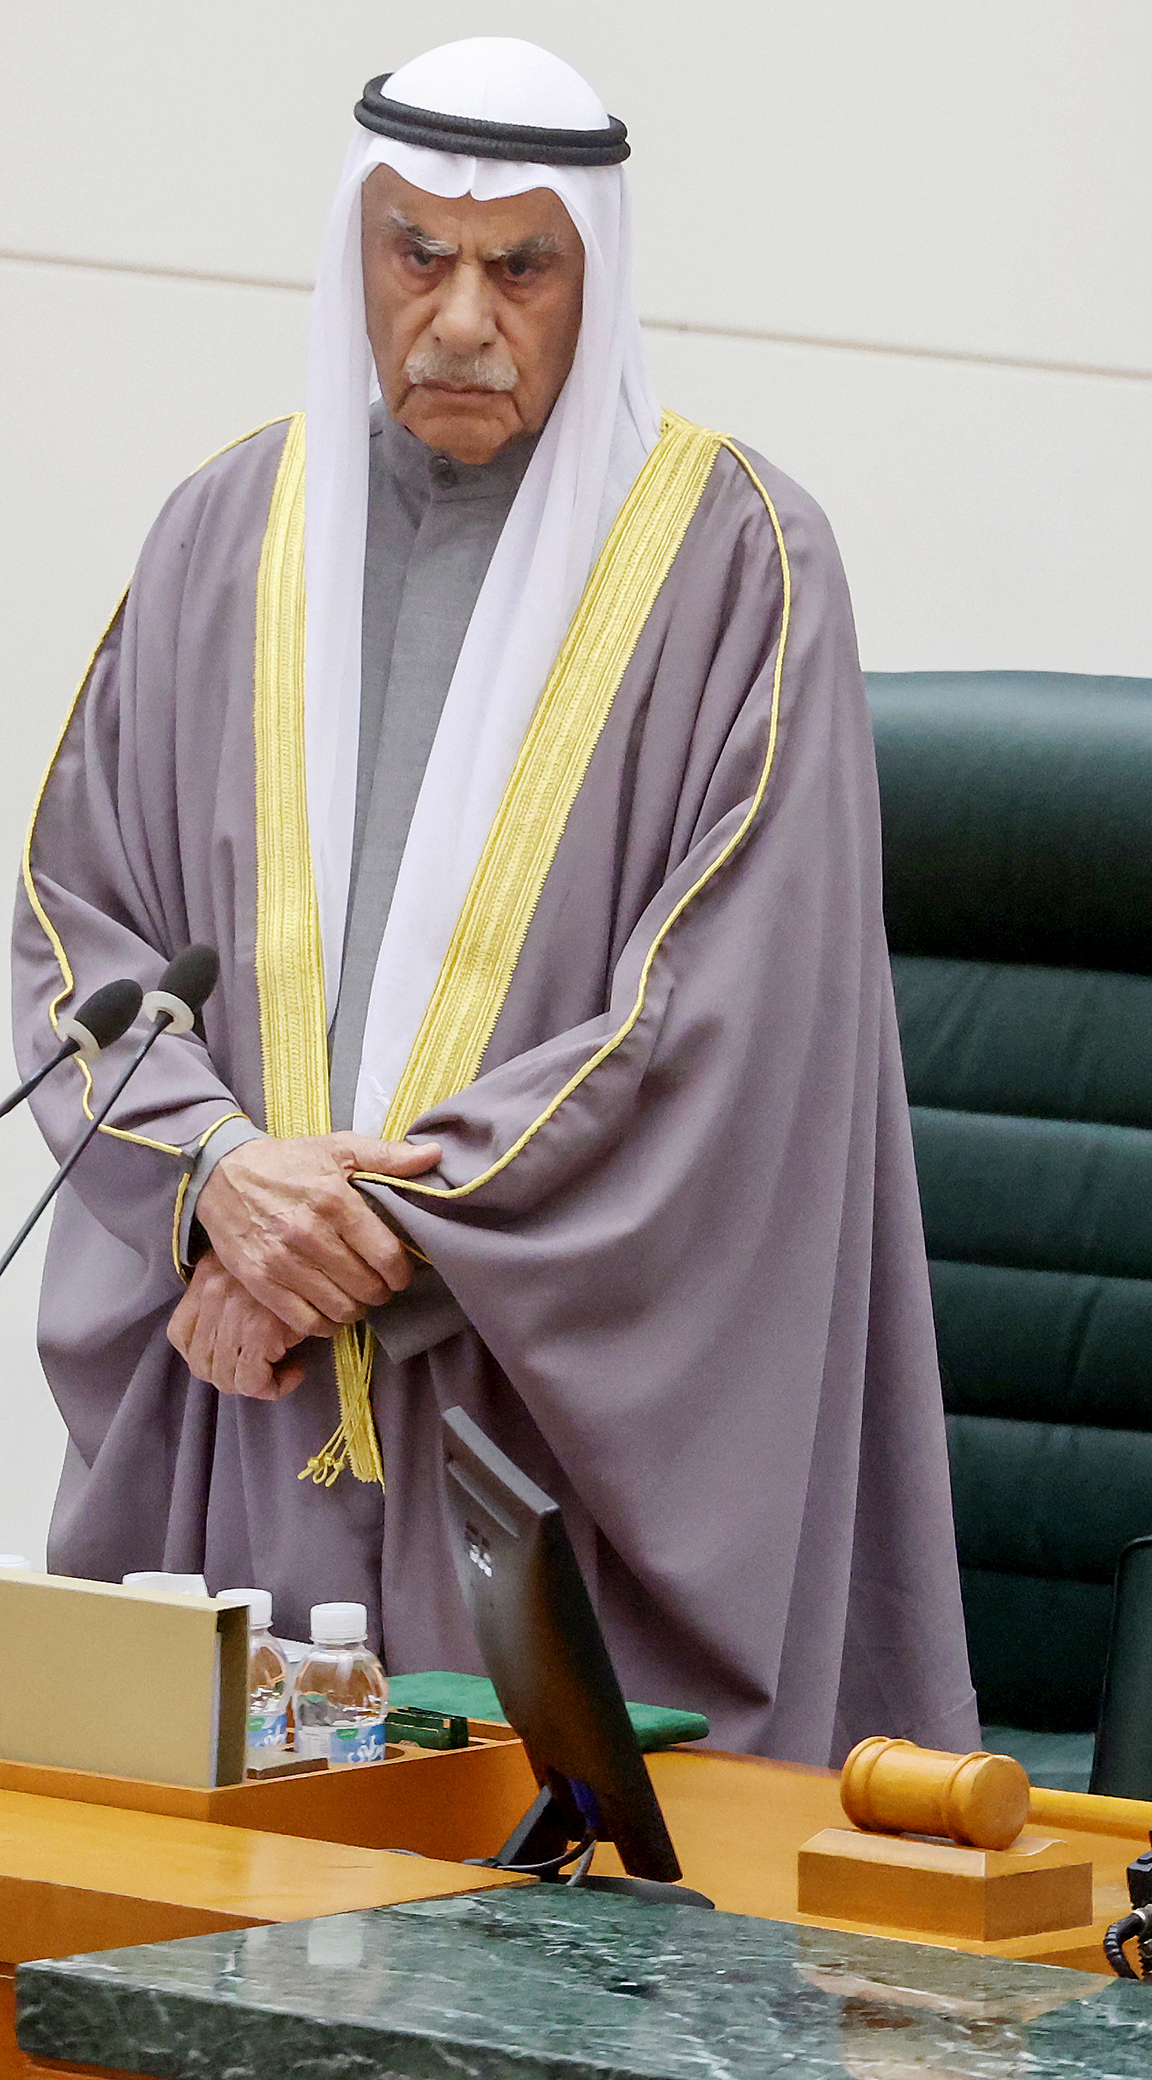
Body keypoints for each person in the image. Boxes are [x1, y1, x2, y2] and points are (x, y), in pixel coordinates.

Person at [13, 38, 977, 1763]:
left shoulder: (739, 563)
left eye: (519, 266)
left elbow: (711, 1024)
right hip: (242, 1401)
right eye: (419, 255)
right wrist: (224, 1174)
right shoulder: (222, 532)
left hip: (543, 1422)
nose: (461, 317)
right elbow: (79, 930)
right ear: (356, 257)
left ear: (592, 276)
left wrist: (347, 1244)